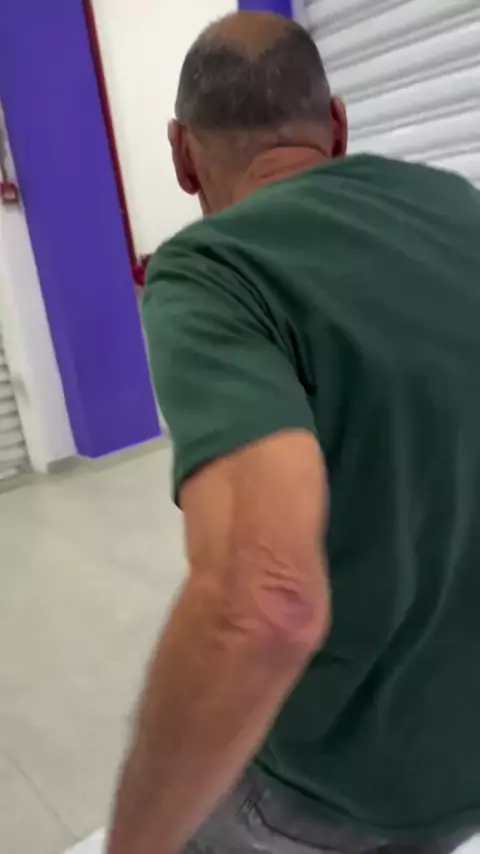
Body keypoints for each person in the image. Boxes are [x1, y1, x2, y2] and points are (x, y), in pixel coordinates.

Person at [106, 11, 480, 854]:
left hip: (327, 787)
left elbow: (262, 600)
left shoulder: (212, 270)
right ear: (336, 126)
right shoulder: (457, 207)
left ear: (181, 154)